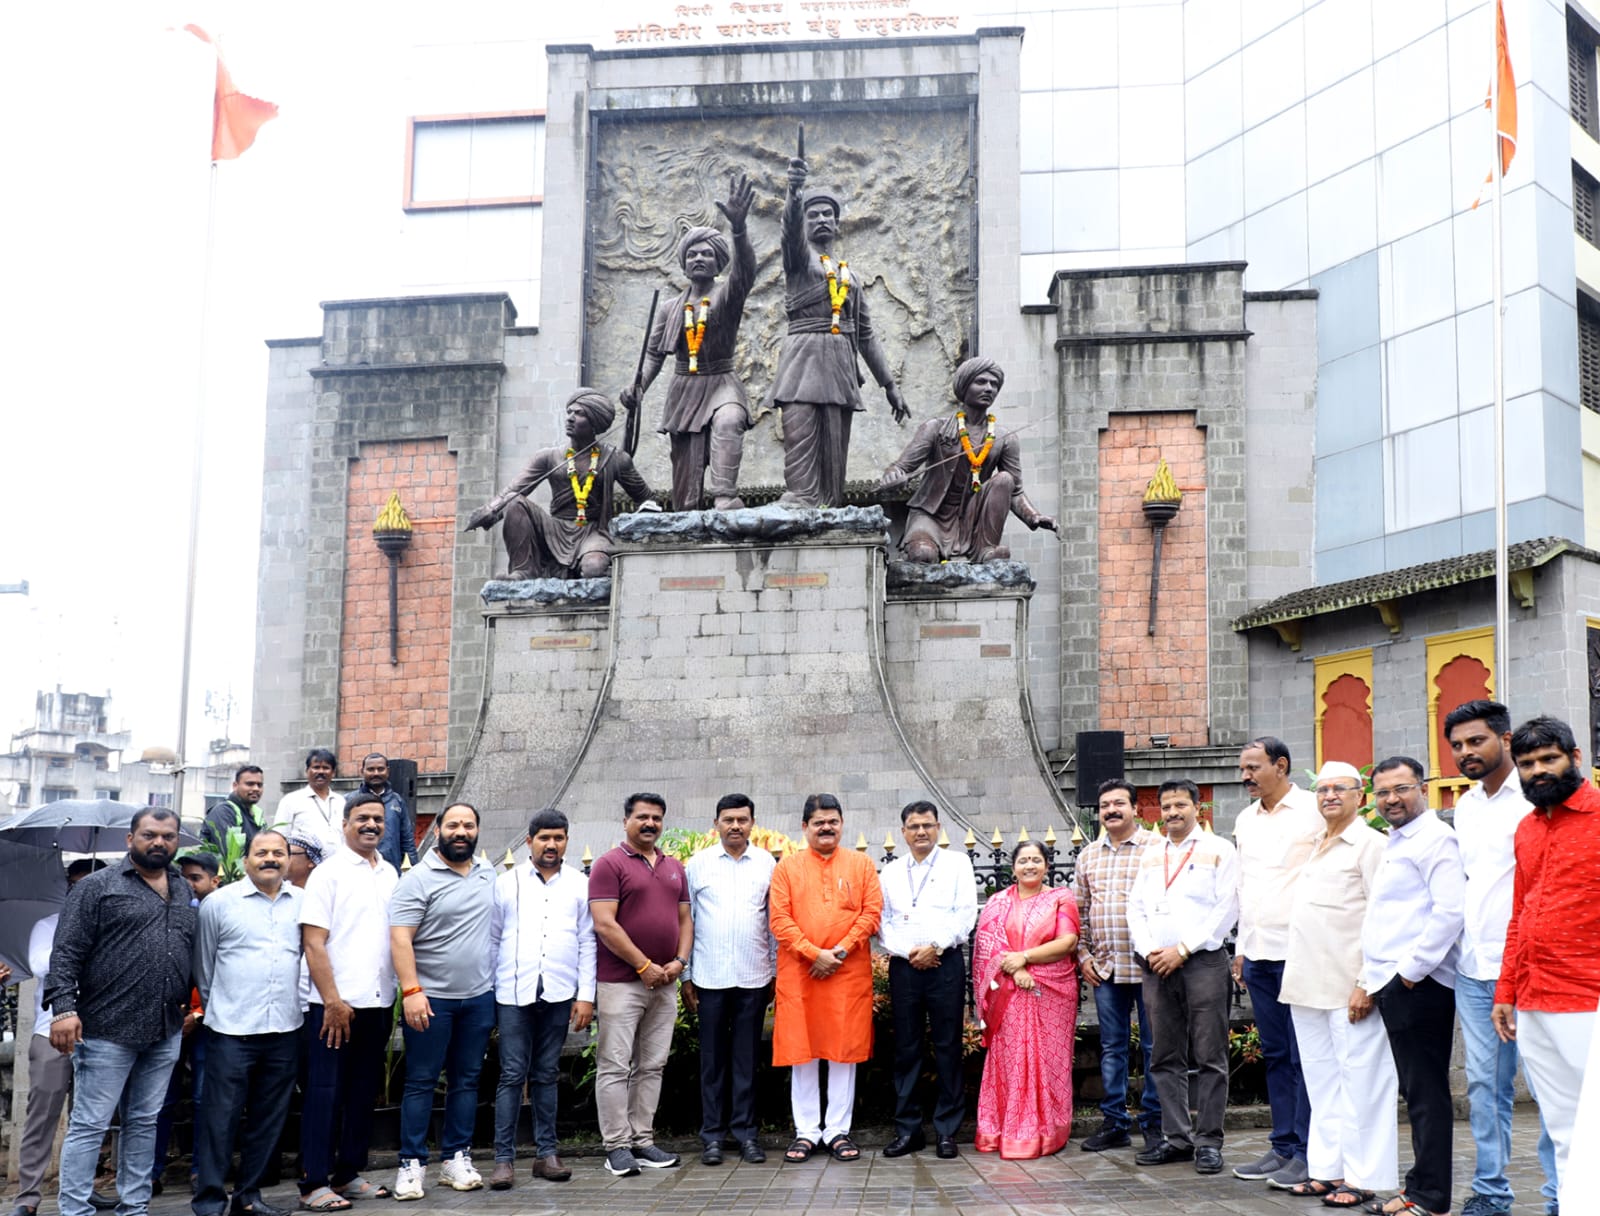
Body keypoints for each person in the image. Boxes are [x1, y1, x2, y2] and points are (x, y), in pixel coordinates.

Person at [44, 809, 199, 1216]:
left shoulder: (183, 889)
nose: (159, 843)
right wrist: (63, 1009)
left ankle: (135, 1207)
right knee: (90, 1125)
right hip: (106, 1028)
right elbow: (66, 953)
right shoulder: (97, 887)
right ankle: (75, 1210)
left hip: (165, 1028)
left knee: (144, 1123)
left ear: (176, 841)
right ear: (130, 839)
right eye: (150, 835)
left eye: (168, 836)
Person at [1447, 701, 1558, 1216]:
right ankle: (1491, 1191)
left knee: (1549, 1087)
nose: (1466, 753)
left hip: (1533, 969)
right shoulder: (1466, 807)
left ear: (1505, 739)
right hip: (1475, 970)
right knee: (1484, 1087)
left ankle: (1563, 1195)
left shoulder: (1537, 799)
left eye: (1476, 741)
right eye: (1458, 746)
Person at [1494, 715, 1600, 1209]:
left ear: (1575, 758)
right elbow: (1519, 912)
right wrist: (1505, 991)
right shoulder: (1526, 829)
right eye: (1527, 763)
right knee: (1562, 1129)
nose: (1538, 771)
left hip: (1588, 996)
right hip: (1535, 999)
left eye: (1548, 759)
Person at [1278, 761, 1395, 1209]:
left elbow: (1382, 919)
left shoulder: (1370, 844)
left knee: (1362, 1081)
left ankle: (1364, 1177)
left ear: (1359, 796)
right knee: (1322, 1082)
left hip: (1351, 986)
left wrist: (1367, 982)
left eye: (1339, 789)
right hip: (1307, 984)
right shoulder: (1316, 843)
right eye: (1322, 789)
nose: (1329, 796)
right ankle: (1328, 1170)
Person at [771, 151, 907, 508]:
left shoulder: (852, 277)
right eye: (812, 215)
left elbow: (865, 335)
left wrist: (889, 385)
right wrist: (793, 194)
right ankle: (800, 497)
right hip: (802, 358)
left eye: (827, 214)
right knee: (799, 434)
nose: (820, 219)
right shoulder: (799, 262)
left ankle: (829, 508)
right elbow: (788, 236)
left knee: (834, 455)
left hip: (840, 364)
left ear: (837, 223)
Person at [1361, 757, 1465, 1216]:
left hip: (1419, 985)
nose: (1391, 799)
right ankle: (1417, 1188)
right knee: (1414, 1090)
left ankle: (1431, 1198)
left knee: (1426, 1092)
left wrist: (1409, 972)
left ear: (1421, 788)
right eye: (1382, 792)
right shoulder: (1396, 840)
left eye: (1400, 789)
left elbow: (1450, 913)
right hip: (1394, 980)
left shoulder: (1436, 839)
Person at [620, 175, 756, 511]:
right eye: (692, 254)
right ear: (683, 263)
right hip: (684, 386)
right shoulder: (670, 308)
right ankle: (687, 515)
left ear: (718, 262)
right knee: (685, 483)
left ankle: (725, 496)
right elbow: (654, 354)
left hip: (722, 380)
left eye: (706, 254)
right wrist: (638, 387)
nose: (698, 258)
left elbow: (746, 273)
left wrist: (738, 229)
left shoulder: (726, 296)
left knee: (729, 420)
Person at [1127, 780, 1237, 1176]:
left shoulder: (1219, 850)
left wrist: (1184, 949)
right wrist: (1149, 949)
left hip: (1202, 962)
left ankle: (1208, 1141)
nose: (1173, 813)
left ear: (1197, 807)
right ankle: (1176, 1139)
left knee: (1210, 1055)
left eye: (1180, 805)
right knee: (1164, 1055)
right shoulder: (1152, 855)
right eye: (1166, 806)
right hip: (1157, 965)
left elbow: (1227, 909)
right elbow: (1135, 906)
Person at [389, 803, 497, 1200]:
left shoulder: (488, 874)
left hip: (479, 999)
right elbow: (400, 937)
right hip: (430, 1001)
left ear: (477, 832)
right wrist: (412, 991)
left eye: (468, 825)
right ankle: (411, 1165)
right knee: (420, 1082)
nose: (461, 831)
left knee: (466, 1082)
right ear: (438, 831)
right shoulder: (417, 879)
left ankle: (456, 1157)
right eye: (453, 825)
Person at [191, 831, 303, 1216]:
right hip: (230, 1031)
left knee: (268, 1119)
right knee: (219, 1120)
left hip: (284, 1029)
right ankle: (208, 1199)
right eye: (261, 853)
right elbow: (203, 968)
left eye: (278, 853)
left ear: (288, 859)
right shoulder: (219, 904)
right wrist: (219, 1008)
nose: (270, 859)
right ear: (245, 860)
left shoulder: (302, 904)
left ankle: (249, 1197)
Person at [298, 789, 399, 1210]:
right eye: (362, 818)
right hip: (333, 1006)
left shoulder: (390, 873)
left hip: (376, 1001)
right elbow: (313, 942)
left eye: (377, 818)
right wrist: (333, 1000)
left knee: (362, 1091)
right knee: (324, 1091)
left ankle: (348, 1173)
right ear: (345, 824)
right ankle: (313, 1182)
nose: (371, 824)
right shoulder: (329, 873)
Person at [769, 794, 883, 1163]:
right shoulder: (786, 868)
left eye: (833, 821)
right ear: (804, 827)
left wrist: (838, 953)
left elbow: (871, 914)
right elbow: (779, 920)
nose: (826, 827)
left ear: (842, 824)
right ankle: (805, 1132)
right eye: (818, 822)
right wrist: (813, 953)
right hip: (800, 973)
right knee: (802, 1052)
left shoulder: (862, 864)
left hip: (846, 973)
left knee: (842, 1053)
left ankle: (836, 1130)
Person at [1230, 736, 1321, 1187]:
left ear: (1281, 765)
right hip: (1260, 953)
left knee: (1305, 1055)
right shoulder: (1245, 820)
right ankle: (1282, 1144)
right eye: (1242, 769)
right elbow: (1246, 888)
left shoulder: (1313, 810)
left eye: (1252, 767)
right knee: (1276, 1054)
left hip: (1300, 951)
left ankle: (1307, 1150)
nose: (1244, 776)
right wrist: (1242, 949)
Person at [488, 808, 595, 1187]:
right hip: (513, 992)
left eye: (559, 838)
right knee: (513, 1074)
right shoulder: (507, 882)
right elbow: (493, 938)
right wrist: (490, 991)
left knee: (548, 1073)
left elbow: (587, 940)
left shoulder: (580, 884)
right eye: (544, 838)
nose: (552, 845)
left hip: (560, 992)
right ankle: (504, 1159)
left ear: (566, 840)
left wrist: (585, 996)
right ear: (529, 841)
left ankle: (547, 1154)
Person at [588, 793, 692, 1177]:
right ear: (626, 821)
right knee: (615, 1065)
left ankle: (642, 1140)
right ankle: (616, 1146)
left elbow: (685, 920)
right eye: (642, 817)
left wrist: (679, 962)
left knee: (652, 1065)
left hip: (664, 983)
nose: (650, 824)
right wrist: (643, 965)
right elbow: (605, 924)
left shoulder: (673, 867)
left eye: (657, 818)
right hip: (621, 983)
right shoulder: (608, 864)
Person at [464, 389, 660, 578]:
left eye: (579, 413)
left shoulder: (615, 459)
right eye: (569, 412)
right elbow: (515, 489)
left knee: (593, 568)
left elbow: (647, 500)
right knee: (514, 501)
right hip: (554, 528)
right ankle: (523, 571)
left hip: (593, 532)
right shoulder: (548, 457)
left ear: (595, 422)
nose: (570, 418)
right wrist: (490, 509)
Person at [877, 358, 1056, 563]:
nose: (989, 388)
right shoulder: (935, 428)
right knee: (922, 555)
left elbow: (1015, 491)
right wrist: (894, 476)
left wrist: (1034, 516)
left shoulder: (1005, 438)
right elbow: (900, 467)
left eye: (994, 384)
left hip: (972, 518)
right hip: (931, 517)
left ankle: (986, 548)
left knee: (1005, 479)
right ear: (964, 386)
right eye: (981, 382)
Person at [877, 799, 976, 1159]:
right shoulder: (889, 873)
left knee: (948, 1046)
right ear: (903, 832)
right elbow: (882, 923)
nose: (921, 832)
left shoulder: (957, 864)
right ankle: (908, 1130)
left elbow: (965, 913)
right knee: (906, 1048)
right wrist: (910, 953)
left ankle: (947, 1131)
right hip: (905, 967)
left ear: (938, 828)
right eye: (914, 826)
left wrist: (934, 946)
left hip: (945, 963)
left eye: (928, 825)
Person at [682, 794, 776, 1166]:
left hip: (753, 976)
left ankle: (747, 1133)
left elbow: (772, 923)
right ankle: (712, 1137)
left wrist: (773, 972)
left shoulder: (767, 864)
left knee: (746, 1059)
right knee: (712, 1061)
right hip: (709, 977)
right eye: (728, 820)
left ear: (752, 823)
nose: (735, 826)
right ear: (716, 823)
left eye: (742, 819)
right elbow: (685, 921)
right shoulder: (698, 865)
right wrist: (686, 974)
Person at [971, 840, 1080, 1159]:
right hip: (1009, 992)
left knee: (1048, 1060)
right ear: (1013, 867)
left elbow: (1068, 941)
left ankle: (1047, 1132)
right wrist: (1016, 969)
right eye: (1023, 860)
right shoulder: (997, 903)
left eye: (1036, 860)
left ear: (1047, 865)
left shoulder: (1061, 898)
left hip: (1052, 991)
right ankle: (1005, 1131)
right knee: (1011, 1060)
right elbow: (989, 949)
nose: (1029, 865)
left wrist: (1025, 958)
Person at [1073, 778, 1162, 1152]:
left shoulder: (1156, 848)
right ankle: (1114, 1123)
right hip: (1106, 969)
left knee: (1157, 1048)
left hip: (1152, 967)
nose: (1111, 810)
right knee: (1113, 1048)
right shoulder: (1087, 856)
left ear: (1135, 809)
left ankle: (1156, 1122)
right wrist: (1083, 956)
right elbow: (1079, 914)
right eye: (1105, 804)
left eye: (1118, 803)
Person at [11, 860, 103, 1216]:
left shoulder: (113, 924)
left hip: (102, 1034)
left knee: (92, 1118)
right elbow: (43, 967)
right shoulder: (48, 925)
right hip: (51, 1031)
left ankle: (81, 1190)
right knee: (42, 1115)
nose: (83, 891)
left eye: (91, 884)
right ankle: (28, 1197)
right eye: (77, 884)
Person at [152, 852, 218, 1195]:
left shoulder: (220, 914)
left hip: (208, 1022)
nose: (188, 885)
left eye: (196, 878)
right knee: (159, 1098)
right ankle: (151, 1171)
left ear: (214, 882)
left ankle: (201, 1171)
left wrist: (199, 1014)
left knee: (206, 1098)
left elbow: (224, 973)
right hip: (169, 1020)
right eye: (184, 878)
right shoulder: (170, 913)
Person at [271, 747, 344, 864]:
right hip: (302, 869)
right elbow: (279, 837)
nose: (320, 772)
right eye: (316, 767)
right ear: (307, 771)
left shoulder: (341, 801)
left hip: (337, 867)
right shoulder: (291, 800)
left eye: (326, 768)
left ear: (333, 772)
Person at [357, 753, 418, 875]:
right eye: (370, 769)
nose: (376, 773)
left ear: (387, 771)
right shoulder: (350, 801)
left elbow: (407, 840)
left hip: (391, 870)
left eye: (380, 769)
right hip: (358, 870)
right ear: (362, 771)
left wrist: (414, 870)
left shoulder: (397, 801)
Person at [199, 765, 269, 855]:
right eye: (250, 784)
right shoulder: (223, 812)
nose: (256, 788)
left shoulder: (257, 814)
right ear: (235, 786)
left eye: (259, 785)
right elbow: (230, 854)